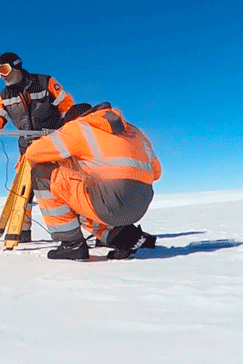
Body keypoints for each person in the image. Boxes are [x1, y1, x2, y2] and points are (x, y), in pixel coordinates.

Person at [0, 52, 77, 242]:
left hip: (55, 144)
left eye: (4, 70)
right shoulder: (5, 95)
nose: (2, 75)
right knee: (23, 191)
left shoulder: (45, 82)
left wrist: (69, 133)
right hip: (27, 148)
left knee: (67, 186)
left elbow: (67, 107)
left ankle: (90, 231)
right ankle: (21, 231)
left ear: (17, 67)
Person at [23, 102, 161, 260]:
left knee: (42, 173)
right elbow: (156, 173)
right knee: (85, 194)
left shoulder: (78, 127)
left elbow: (32, 153)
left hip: (111, 203)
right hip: (140, 205)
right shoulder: (136, 132)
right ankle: (123, 237)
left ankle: (71, 244)